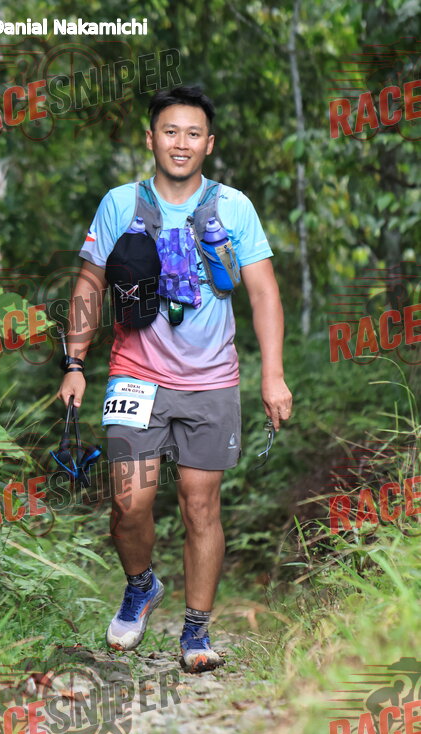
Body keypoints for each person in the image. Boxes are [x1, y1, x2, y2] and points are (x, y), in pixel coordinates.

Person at [57, 85, 292, 673]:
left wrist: (273, 376)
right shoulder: (120, 203)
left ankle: (196, 631)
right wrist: (75, 363)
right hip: (135, 375)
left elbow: (264, 293)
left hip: (213, 380)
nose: (180, 143)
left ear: (209, 143)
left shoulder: (233, 207)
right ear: (151, 139)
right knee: (128, 502)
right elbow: (89, 283)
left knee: (200, 505)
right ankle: (141, 585)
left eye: (193, 133)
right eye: (170, 131)